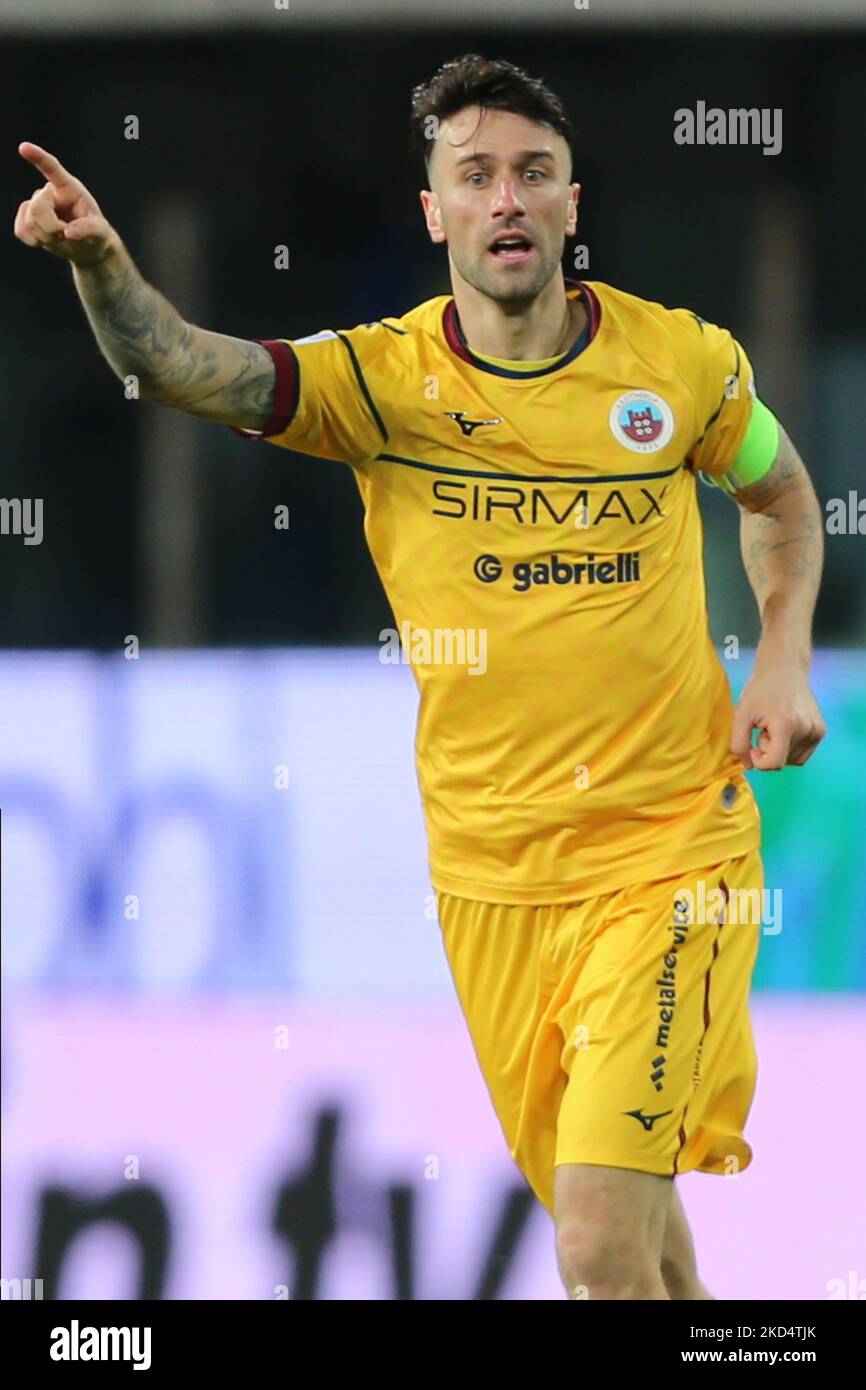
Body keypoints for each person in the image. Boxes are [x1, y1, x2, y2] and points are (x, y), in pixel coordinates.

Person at [14, 53, 826, 1301]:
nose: (506, 198)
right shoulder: (378, 385)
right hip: (491, 882)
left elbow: (774, 490)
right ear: (434, 212)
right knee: (640, 1246)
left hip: (670, 857)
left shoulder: (682, 368)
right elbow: (179, 362)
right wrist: (99, 264)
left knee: (598, 1241)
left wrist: (778, 659)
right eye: (476, 176)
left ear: (568, 205)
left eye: (532, 174)